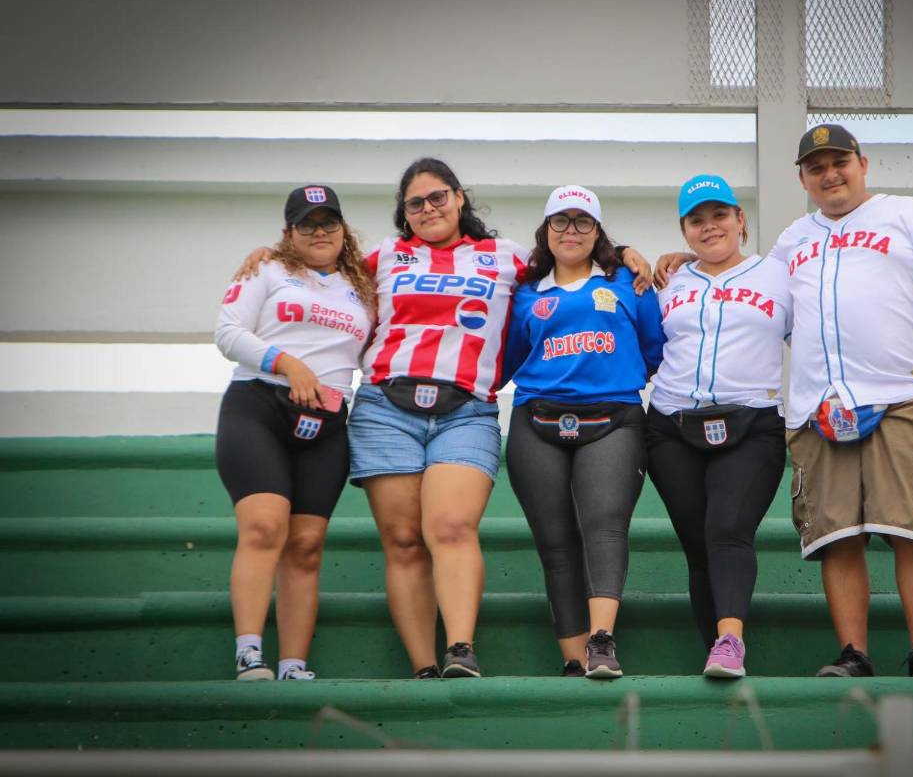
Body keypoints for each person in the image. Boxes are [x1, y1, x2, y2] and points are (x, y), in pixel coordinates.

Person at [235, 159, 653, 679]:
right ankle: (424, 666)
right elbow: (321, 266)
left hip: (465, 408)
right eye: (415, 203)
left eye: (438, 197)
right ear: (404, 213)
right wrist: (270, 256)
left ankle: (460, 650)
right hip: (387, 407)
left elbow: (569, 254)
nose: (428, 208)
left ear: (459, 198)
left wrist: (625, 252)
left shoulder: (505, 257)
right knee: (404, 541)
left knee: (451, 526)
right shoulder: (383, 257)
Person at [775, 124, 913, 678]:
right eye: (816, 168)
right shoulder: (792, 239)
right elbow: (758, 302)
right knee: (838, 535)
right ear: (802, 179)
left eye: (840, 162)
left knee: (911, 527)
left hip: (900, 394)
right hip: (820, 407)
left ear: (863, 164)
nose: (830, 175)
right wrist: (682, 260)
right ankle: (853, 653)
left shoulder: (909, 213)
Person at [503, 186, 665, 679]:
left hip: (613, 418)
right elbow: (509, 360)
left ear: (597, 232)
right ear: (545, 230)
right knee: (555, 543)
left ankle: (601, 642)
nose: (570, 231)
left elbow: (654, 349)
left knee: (604, 527)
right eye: (561, 221)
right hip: (536, 420)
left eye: (582, 221)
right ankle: (573, 660)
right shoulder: (525, 290)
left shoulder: (628, 281)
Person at [215, 184, 374, 681]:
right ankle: (249, 652)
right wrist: (288, 364)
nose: (320, 232)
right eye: (307, 224)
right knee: (265, 526)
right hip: (259, 406)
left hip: (327, 422)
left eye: (329, 222)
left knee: (306, 545)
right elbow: (228, 332)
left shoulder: (365, 284)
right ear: (289, 232)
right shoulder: (266, 269)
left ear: (343, 229)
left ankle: (293, 665)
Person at [644, 175, 791, 679]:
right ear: (684, 230)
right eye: (697, 220)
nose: (710, 227)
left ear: (740, 219)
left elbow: (817, 340)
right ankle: (715, 650)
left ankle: (731, 641)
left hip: (752, 421)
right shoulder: (670, 282)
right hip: (671, 425)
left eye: (720, 215)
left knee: (727, 529)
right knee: (697, 545)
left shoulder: (779, 275)